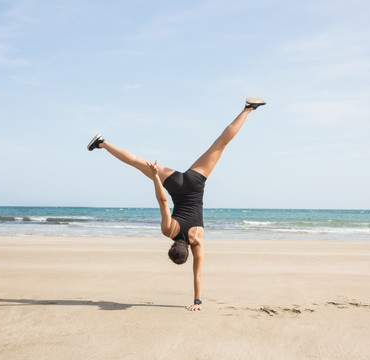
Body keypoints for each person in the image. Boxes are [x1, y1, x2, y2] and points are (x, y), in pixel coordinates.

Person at [87, 97, 267, 311]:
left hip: (195, 181)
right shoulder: (168, 231)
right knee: (137, 162)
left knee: (221, 144)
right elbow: (163, 200)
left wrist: (197, 301)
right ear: (172, 246)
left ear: (188, 252)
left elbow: (197, 273)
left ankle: (248, 109)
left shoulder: (197, 240)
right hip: (174, 184)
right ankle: (102, 142)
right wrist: (154, 176)